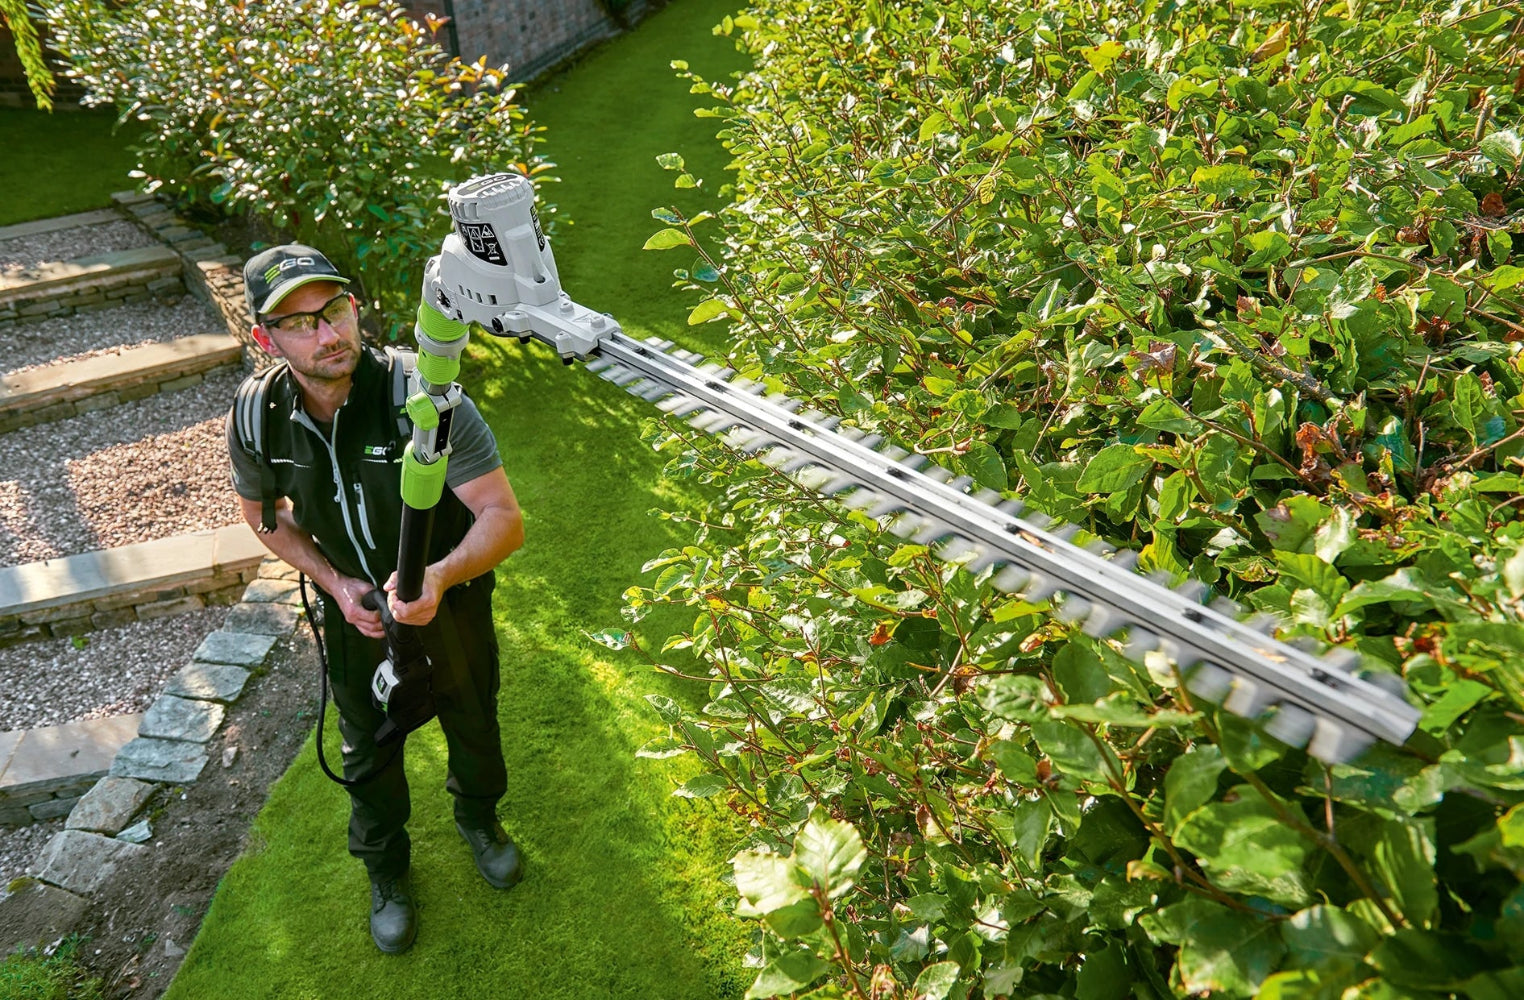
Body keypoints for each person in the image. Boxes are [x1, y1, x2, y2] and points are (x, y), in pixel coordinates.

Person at [225, 244, 525, 955]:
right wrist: (337, 585)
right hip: (352, 614)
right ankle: (387, 871)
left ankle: (479, 819)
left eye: (334, 310)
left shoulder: (424, 397)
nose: (327, 334)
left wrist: (441, 577)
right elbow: (262, 516)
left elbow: (503, 518)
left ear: (353, 307)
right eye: (301, 324)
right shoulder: (258, 416)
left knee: (472, 716)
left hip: (448, 601)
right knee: (366, 748)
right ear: (267, 339)